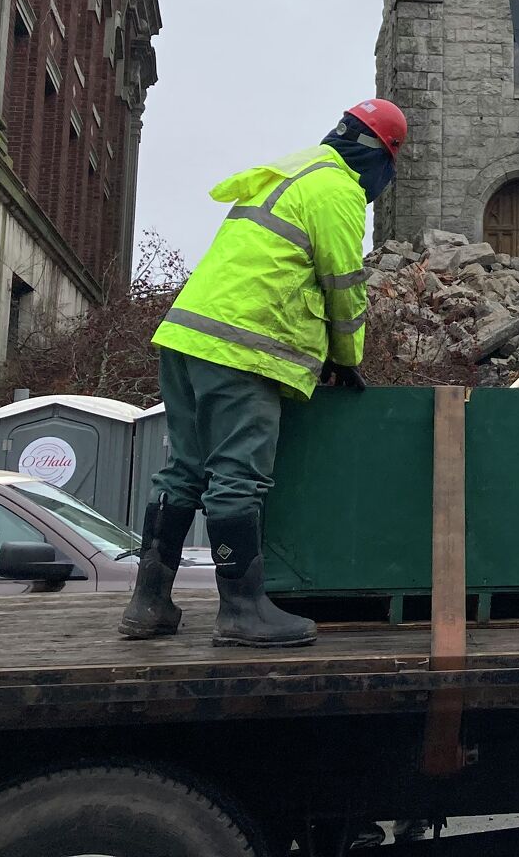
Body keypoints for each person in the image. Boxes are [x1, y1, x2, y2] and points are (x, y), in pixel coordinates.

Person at [119, 98, 408, 648]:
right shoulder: (338, 191)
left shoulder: (295, 170)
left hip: (186, 335)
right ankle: (242, 610)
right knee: (237, 476)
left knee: (184, 470)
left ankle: (148, 603)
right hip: (242, 346)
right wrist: (346, 360)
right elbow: (344, 286)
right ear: (380, 159)